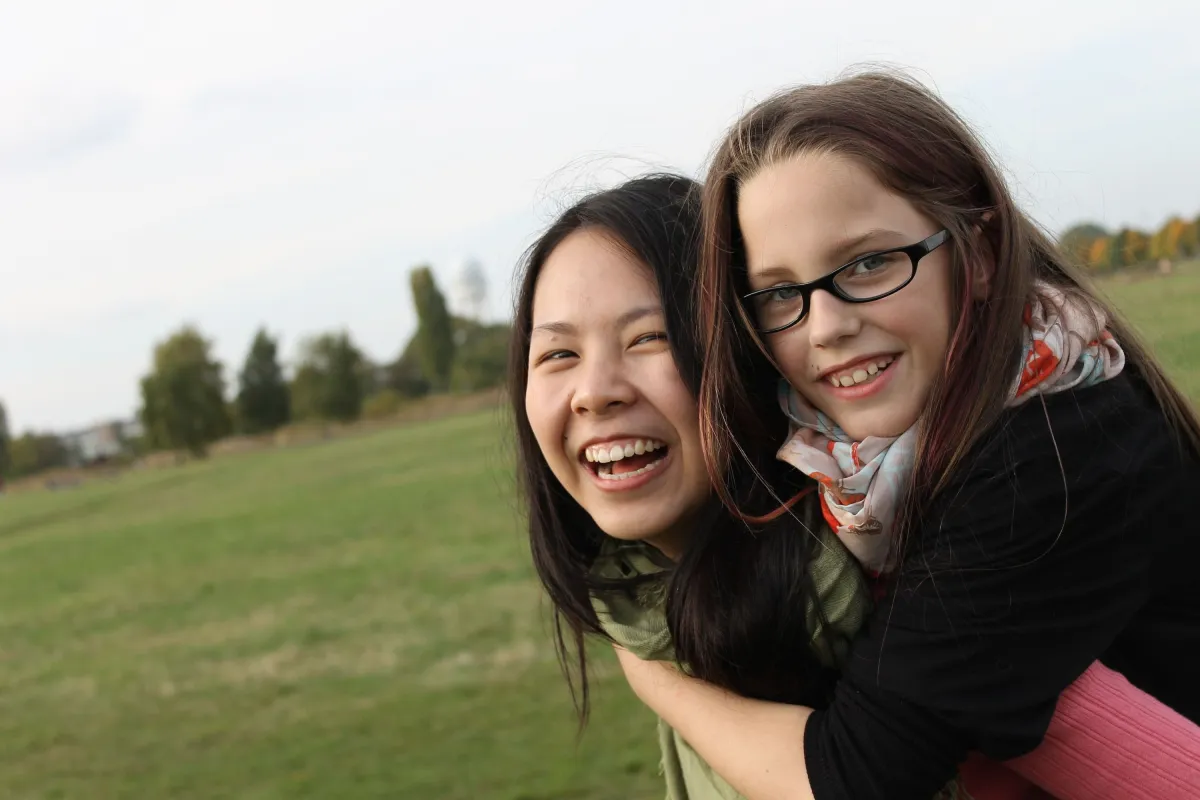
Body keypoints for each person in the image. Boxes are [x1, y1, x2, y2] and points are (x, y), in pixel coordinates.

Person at [510, 174, 1200, 800]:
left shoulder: (928, 596)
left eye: (650, 337)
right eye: (558, 354)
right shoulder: (654, 608)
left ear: (749, 357)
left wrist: (653, 678)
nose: (593, 393)